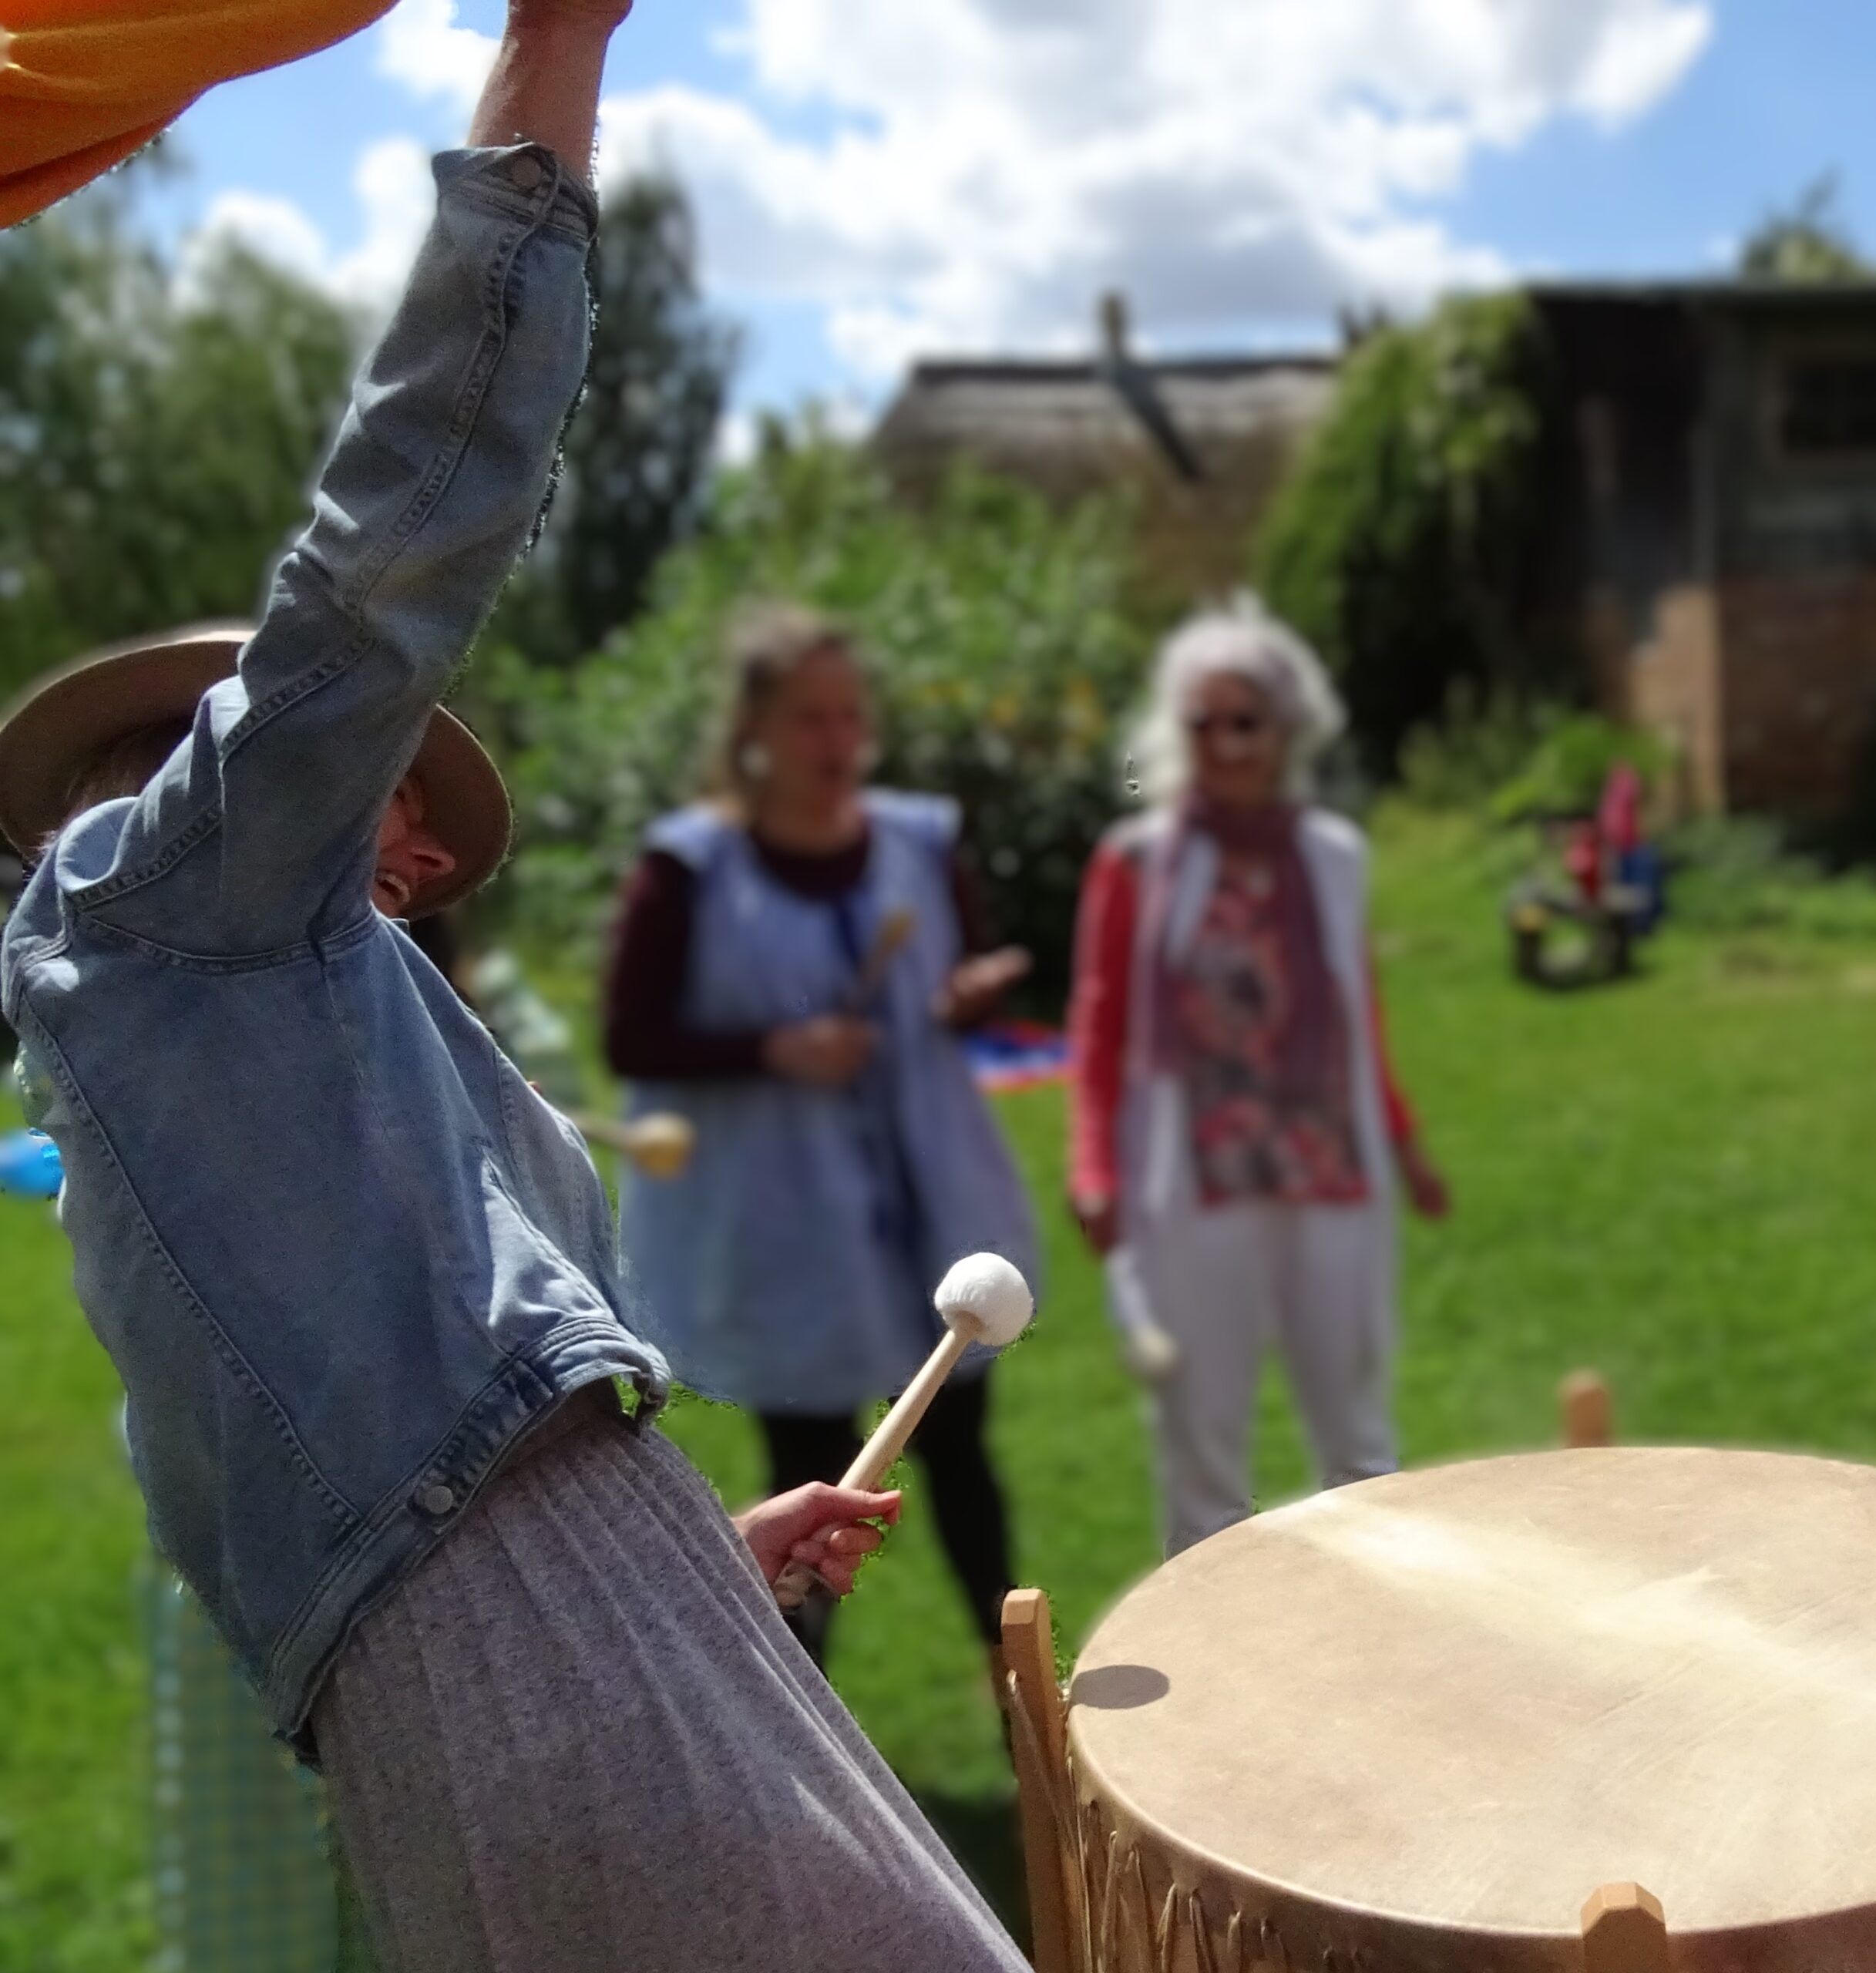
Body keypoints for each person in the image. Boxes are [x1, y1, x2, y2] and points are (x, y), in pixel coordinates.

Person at [0, 7, 1030, 1968]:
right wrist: (558, 40)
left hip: (564, 1654)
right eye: (379, 786)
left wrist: (675, 1573)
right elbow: (404, 523)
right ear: (169, 773)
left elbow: (362, 1533)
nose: (407, 852)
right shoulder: (150, 907)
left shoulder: (206, 1037)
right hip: (555, 1675)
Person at [606, 601, 1038, 1674]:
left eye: (850, 716)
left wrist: (967, 996)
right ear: (753, 728)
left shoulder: (919, 844)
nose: (837, 743)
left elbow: (958, 979)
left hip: (927, 1204)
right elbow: (630, 1034)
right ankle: (791, 1738)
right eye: (809, 719)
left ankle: (1021, 1709)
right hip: (792, 1222)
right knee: (812, 1474)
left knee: (961, 1457)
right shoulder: (690, 870)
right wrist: (772, 1049)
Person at [1067, 597, 1451, 1558]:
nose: (1225, 745)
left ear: (1287, 730)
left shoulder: (1334, 856)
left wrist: (1403, 1143)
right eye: (1202, 724)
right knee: (1203, 1450)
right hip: (1197, 1176)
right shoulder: (1137, 861)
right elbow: (1101, 1020)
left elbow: (1358, 1014)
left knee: (1358, 1437)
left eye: (1246, 722)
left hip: (1327, 1166)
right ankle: (1212, 1674)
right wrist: (1093, 1165)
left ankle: (1395, 1640)